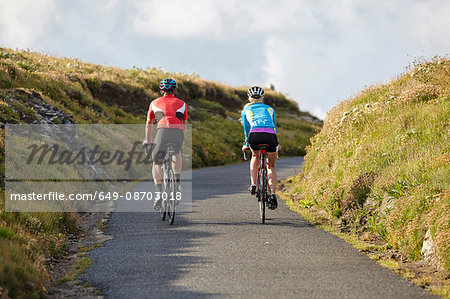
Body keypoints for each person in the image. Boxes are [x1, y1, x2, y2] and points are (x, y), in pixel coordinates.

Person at [143, 78, 187, 210]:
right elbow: (184, 125)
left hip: (163, 132)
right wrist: (182, 140)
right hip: (177, 133)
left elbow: (149, 123)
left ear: (161, 90)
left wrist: (148, 141)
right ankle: (177, 183)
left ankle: (158, 193)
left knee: (156, 162)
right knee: (177, 154)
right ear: (175, 90)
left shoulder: (154, 103)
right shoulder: (182, 103)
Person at [241, 86, 279, 210]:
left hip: (255, 136)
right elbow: (274, 127)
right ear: (262, 97)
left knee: (255, 155)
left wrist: (246, 143)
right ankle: (272, 194)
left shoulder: (246, 110)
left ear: (249, 98)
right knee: (271, 166)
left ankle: (253, 184)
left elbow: (247, 130)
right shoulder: (270, 109)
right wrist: (276, 143)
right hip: (270, 136)